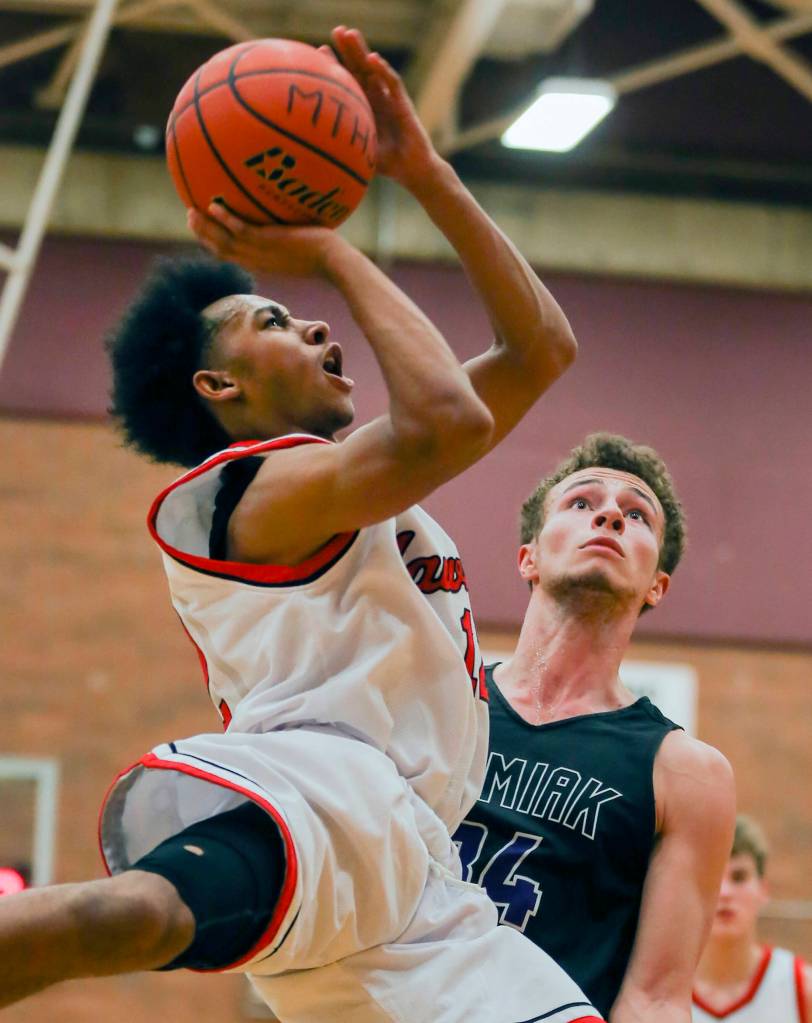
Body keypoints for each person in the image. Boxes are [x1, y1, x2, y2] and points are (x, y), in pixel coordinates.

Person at [0, 26, 604, 1023]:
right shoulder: (248, 492)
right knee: (129, 917)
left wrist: (426, 173)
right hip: (316, 790)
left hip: (419, 874)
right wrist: (328, 248)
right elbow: (449, 421)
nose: (318, 324)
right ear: (218, 385)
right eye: (274, 321)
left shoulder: (351, 481)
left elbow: (540, 349)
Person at [454, 433, 737, 1022]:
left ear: (657, 584)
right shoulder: (438, 697)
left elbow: (656, 999)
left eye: (637, 516)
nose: (609, 515)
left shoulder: (687, 774)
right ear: (529, 557)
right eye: (581, 502)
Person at [693, 815, 812, 1022]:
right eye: (712, 876)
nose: (725, 892)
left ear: (764, 890)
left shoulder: (802, 987)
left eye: (738, 877)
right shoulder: (657, 989)